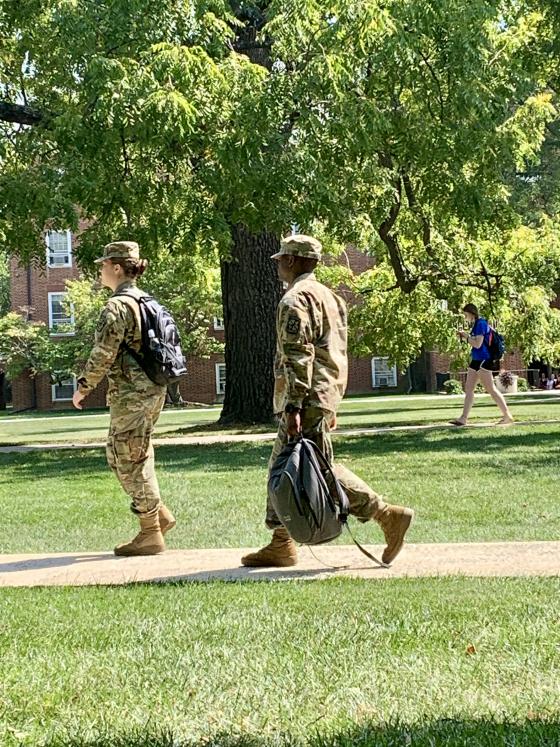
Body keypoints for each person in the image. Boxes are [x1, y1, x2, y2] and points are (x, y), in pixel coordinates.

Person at [241, 234, 414, 569]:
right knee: (302, 467)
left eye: (280, 259)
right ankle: (282, 540)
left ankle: (386, 515)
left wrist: (293, 405)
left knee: (296, 469)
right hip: (323, 396)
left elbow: (298, 355)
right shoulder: (333, 299)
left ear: (292, 260)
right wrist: (330, 402)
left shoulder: (294, 300)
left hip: (304, 399)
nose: (277, 264)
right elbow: (338, 354)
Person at [72, 241, 175, 556]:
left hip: (133, 393)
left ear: (117, 267)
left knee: (130, 456)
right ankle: (158, 515)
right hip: (151, 389)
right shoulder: (146, 301)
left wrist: (83, 386)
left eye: (104, 264)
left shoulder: (118, 305)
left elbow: (103, 353)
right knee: (124, 454)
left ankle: (150, 532)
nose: (100, 269)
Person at [450, 303, 513, 426]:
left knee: (491, 389)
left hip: (484, 360)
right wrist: (466, 336)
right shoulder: (476, 325)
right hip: (476, 359)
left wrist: (465, 336)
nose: (465, 317)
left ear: (471, 313)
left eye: (465, 314)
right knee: (469, 388)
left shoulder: (481, 324)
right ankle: (463, 418)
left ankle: (507, 415)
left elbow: (477, 344)